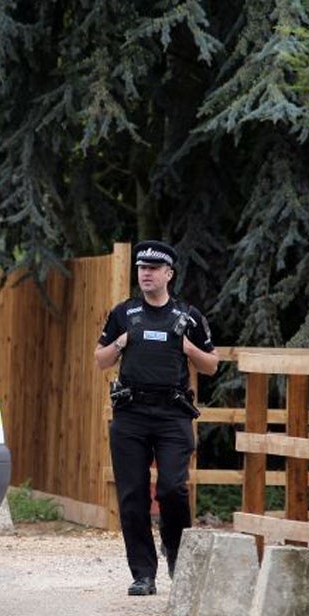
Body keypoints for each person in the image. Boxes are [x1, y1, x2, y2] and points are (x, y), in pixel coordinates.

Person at [94, 240, 219, 596]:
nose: (145, 274)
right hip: (131, 414)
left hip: (172, 415)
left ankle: (177, 553)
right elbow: (100, 359)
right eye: (141, 268)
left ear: (168, 274)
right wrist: (120, 342)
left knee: (172, 489)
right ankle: (143, 574)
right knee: (132, 495)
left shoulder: (187, 316)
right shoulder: (124, 313)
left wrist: (187, 347)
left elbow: (211, 365)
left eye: (152, 268)